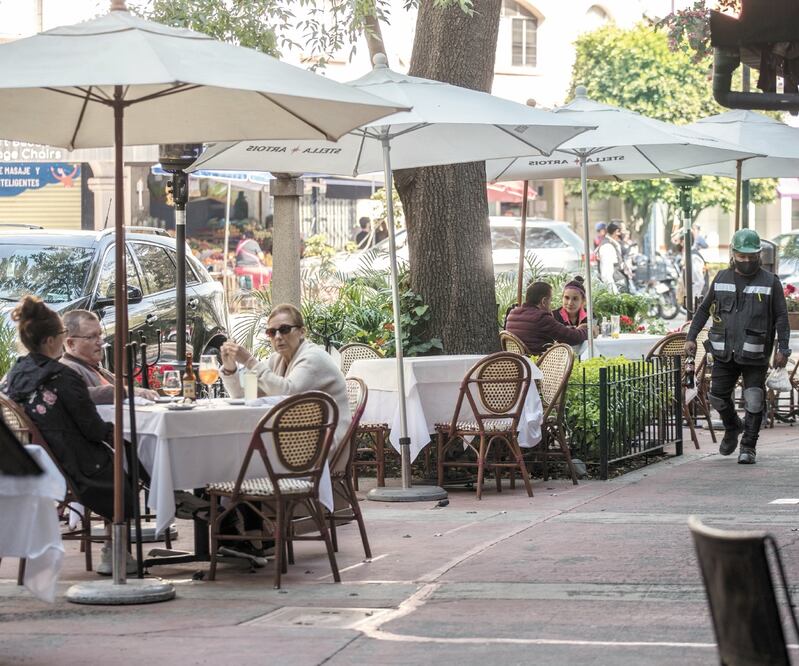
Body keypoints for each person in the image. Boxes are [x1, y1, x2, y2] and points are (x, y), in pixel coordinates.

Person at [1, 296, 139, 574]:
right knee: (129, 458)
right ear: (51, 340)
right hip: (73, 467)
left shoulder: (14, 375)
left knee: (124, 453)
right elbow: (93, 429)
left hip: (30, 461)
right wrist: (119, 435)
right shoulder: (63, 377)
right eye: (63, 334)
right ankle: (116, 550)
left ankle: (116, 548)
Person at [684, 229, 790, 465]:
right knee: (717, 397)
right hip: (724, 352)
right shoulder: (721, 278)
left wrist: (783, 349)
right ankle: (733, 426)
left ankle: (748, 447)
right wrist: (691, 337)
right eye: (742, 256)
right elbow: (703, 310)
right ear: (733, 254)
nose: (747, 260)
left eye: (751, 256)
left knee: (754, 398)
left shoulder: (770, 282)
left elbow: (782, 317)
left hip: (756, 352)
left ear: (759, 255)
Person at [219, 303, 351, 451]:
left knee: (242, 451)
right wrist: (230, 369)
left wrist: (249, 361)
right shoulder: (276, 360)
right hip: (298, 437)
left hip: (324, 445)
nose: (278, 337)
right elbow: (246, 395)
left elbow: (288, 393)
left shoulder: (314, 357)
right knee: (234, 447)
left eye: (284, 329)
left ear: (302, 332)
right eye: (271, 332)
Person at [60, 310, 159, 404]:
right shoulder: (66, 369)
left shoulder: (94, 368)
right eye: (92, 337)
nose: (101, 342)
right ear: (71, 343)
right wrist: (125, 391)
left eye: (100, 335)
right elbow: (73, 394)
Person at [506, 282, 597, 355]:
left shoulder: (512, 314)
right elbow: (572, 338)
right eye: (550, 300)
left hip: (517, 364)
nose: (551, 304)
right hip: (539, 365)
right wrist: (588, 330)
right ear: (544, 301)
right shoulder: (541, 318)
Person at [597, 221, 632, 294]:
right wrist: (615, 295)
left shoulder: (615, 245)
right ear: (617, 232)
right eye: (624, 230)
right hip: (616, 292)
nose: (626, 233)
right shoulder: (607, 247)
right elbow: (606, 275)